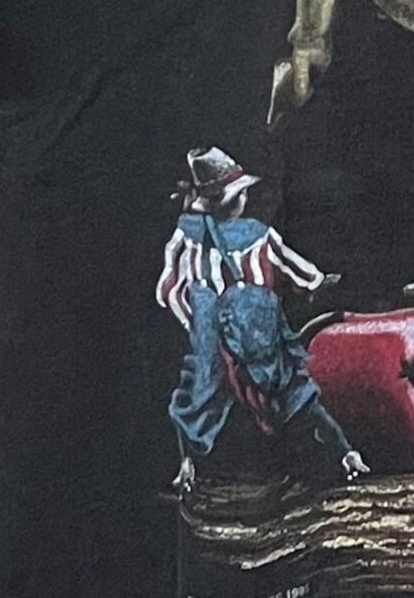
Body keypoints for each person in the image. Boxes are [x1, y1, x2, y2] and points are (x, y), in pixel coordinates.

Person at [158, 148, 369, 495]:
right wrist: (318, 282)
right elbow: (300, 272)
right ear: (235, 199)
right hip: (261, 335)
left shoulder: (185, 238)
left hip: (215, 344)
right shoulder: (260, 236)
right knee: (295, 392)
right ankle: (346, 455)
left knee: (198, 400)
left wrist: (195, 322)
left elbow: (168, 290)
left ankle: (188, 467)